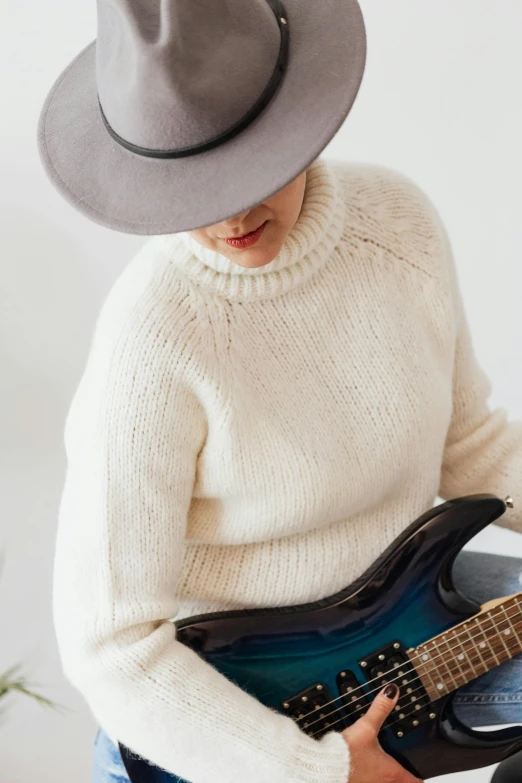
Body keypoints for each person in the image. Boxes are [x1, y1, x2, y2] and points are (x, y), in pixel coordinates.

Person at [36, 1, 522, 782]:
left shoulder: (399, 227)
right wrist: (314, 770)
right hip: (225, 715)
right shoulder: (150, 341)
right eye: (191, 185)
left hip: (405, 618)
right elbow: (113, 647)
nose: (230, 212)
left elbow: (470, 447)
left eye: (251, 166)